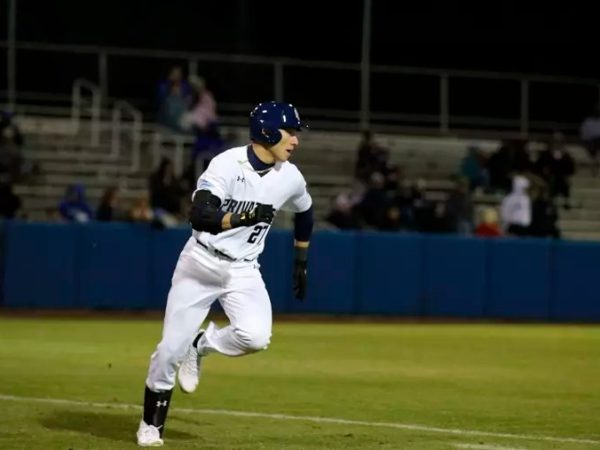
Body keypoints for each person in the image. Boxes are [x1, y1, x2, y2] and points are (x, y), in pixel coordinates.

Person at [136, 101, 314, 447]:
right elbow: (199, 215)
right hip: (200, 263)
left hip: (243, 269)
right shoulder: (227, 164)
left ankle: (201, 344)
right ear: (267, 131)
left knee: (256, 337)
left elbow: (306, 212)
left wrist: (301, 259)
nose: (295, 139)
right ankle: (151, 424)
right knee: (169, 350)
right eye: (290, 131)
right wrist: (243, 217)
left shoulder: (290, 176)